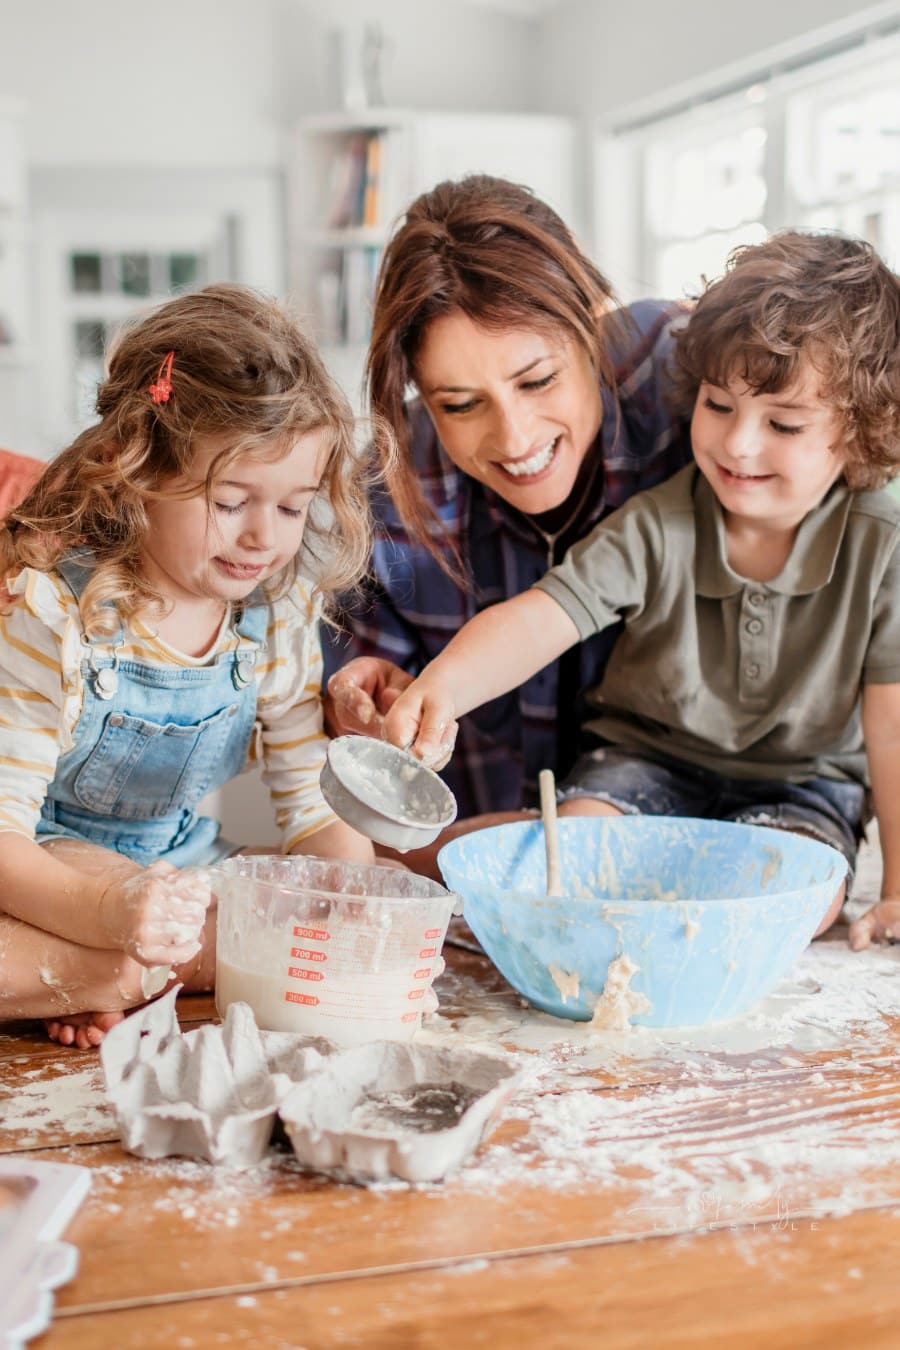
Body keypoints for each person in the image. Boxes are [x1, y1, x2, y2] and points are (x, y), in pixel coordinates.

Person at [380, 231, 900, 950]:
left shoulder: (883, 542)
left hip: (803, 786)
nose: (737, 444)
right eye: (718, 406)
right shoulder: (662, 519)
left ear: (866, 427)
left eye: (782, 423)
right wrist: (439, 692)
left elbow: (892, 725)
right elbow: (539, 619)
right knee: (581, 859)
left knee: (798, 899)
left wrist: (899, 887)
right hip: (644, 763)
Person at [0, 283, 380, 1046]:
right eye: (232, 500)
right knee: (181, 932)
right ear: (136, 471)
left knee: (292, 920)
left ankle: (94, 980)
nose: (262, 540)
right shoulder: (55, 613)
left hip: (177, 874)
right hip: (45, 867)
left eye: (292, 506)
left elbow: (311, 811)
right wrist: (111, 915)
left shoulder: (277, 615)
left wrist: (357, 899)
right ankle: (104, 973)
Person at [324, 174, 693, 876]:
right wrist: (367, 706)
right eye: (460, 404)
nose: (515, 437)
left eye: (537, 381)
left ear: (591, 319)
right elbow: (358, 769)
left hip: (706, 838)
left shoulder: (693, 379)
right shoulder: (393, 485)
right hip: (484, 867)